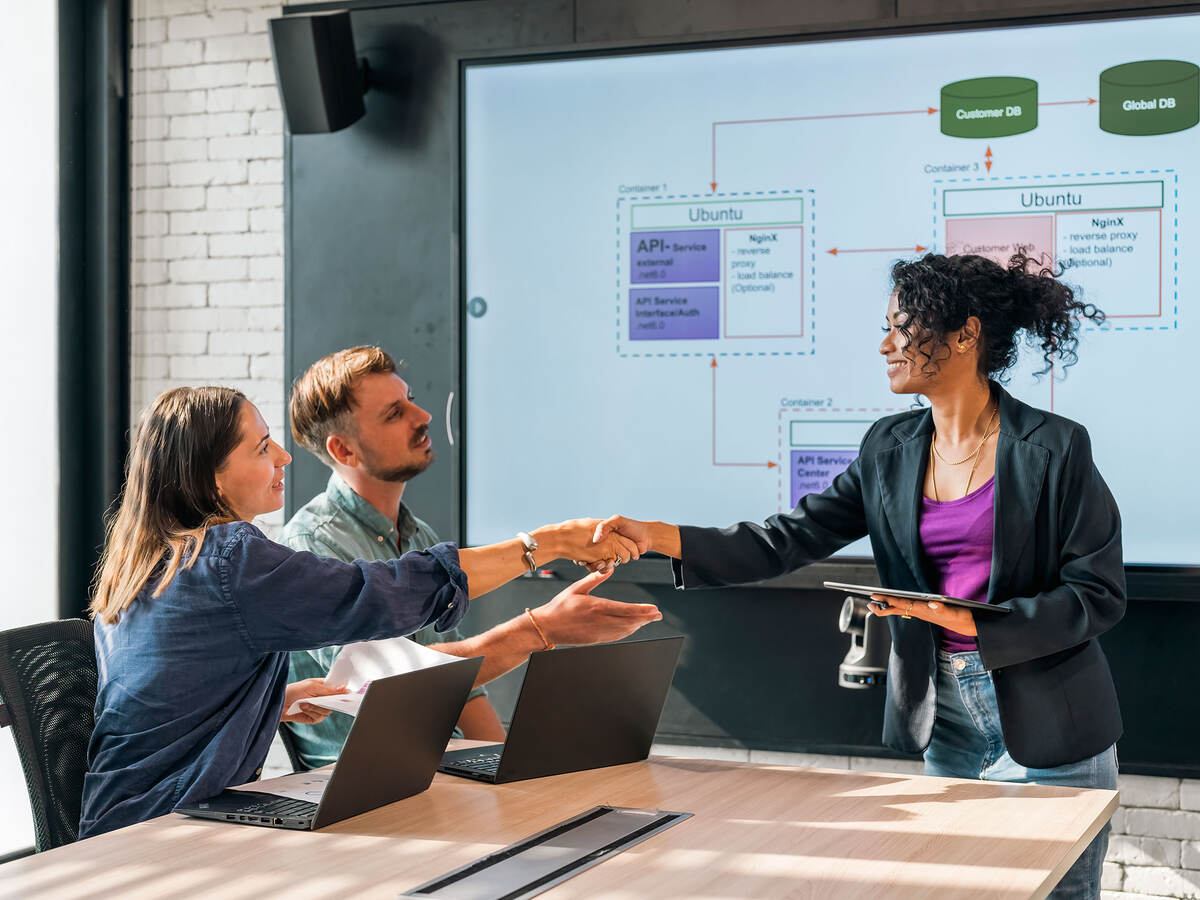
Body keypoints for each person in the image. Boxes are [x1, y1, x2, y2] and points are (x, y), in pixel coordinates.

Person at [595, 252, 1123, 899]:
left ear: (965, 335)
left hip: (1051, 725)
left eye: (901, 329)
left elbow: (1097, 593)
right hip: (948, 722)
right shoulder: (889, 448)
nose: (884, 345)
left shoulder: (1055, 446)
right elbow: (786, 538)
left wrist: (974, 621)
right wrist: (660, 537)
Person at [81, 386, 655, 839]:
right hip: (165, 833)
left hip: (128, 824)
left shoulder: (149, 564)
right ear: (207, 478)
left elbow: (161, 692)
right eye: (260, 448)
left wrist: (271, 703)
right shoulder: (230, 560)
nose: (283, 455)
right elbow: (380, 595)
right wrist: (545, 544)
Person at [280, 345, 661, 768]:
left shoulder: (417, 535)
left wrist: (507, 770)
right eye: (394, 413)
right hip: (367, 788)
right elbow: (380, 686)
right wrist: (538, 629)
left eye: (410, 400)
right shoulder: (312, 545)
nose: (422, 416)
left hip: (438, 772)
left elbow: (459, 686)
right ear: (344, 451)